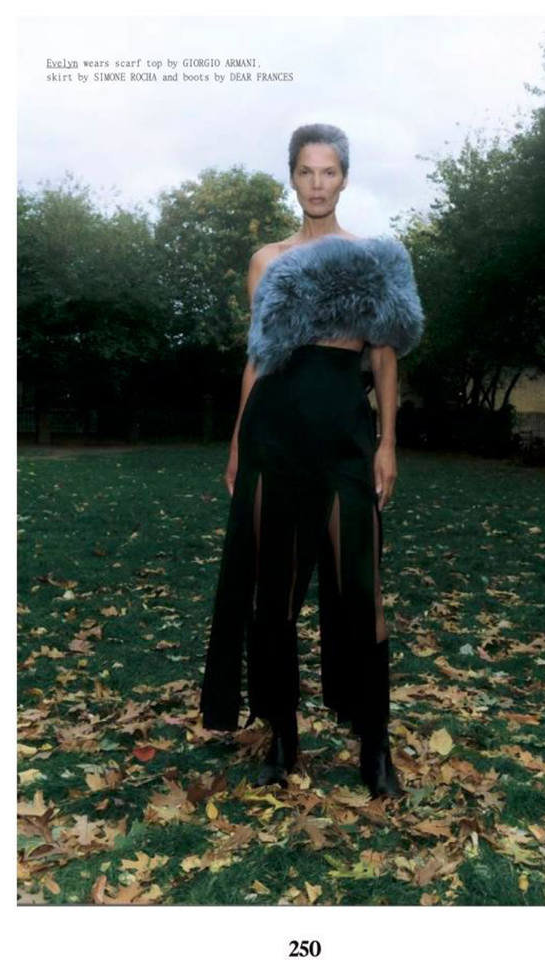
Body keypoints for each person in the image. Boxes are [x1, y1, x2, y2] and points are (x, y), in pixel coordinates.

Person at [199, 123, 424, 798]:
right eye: (306, 171)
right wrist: (237, 443)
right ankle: (283, 742)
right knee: (273, 600)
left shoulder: (373, 258)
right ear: (292, 177)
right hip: (273, 440)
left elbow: (383, 358)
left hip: (344, 443)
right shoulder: (267, 260)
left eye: (329, 172)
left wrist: (387, 443)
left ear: (344, 178)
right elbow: (258, 359)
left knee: (363, 595)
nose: (317, 184)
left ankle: (374, 750)